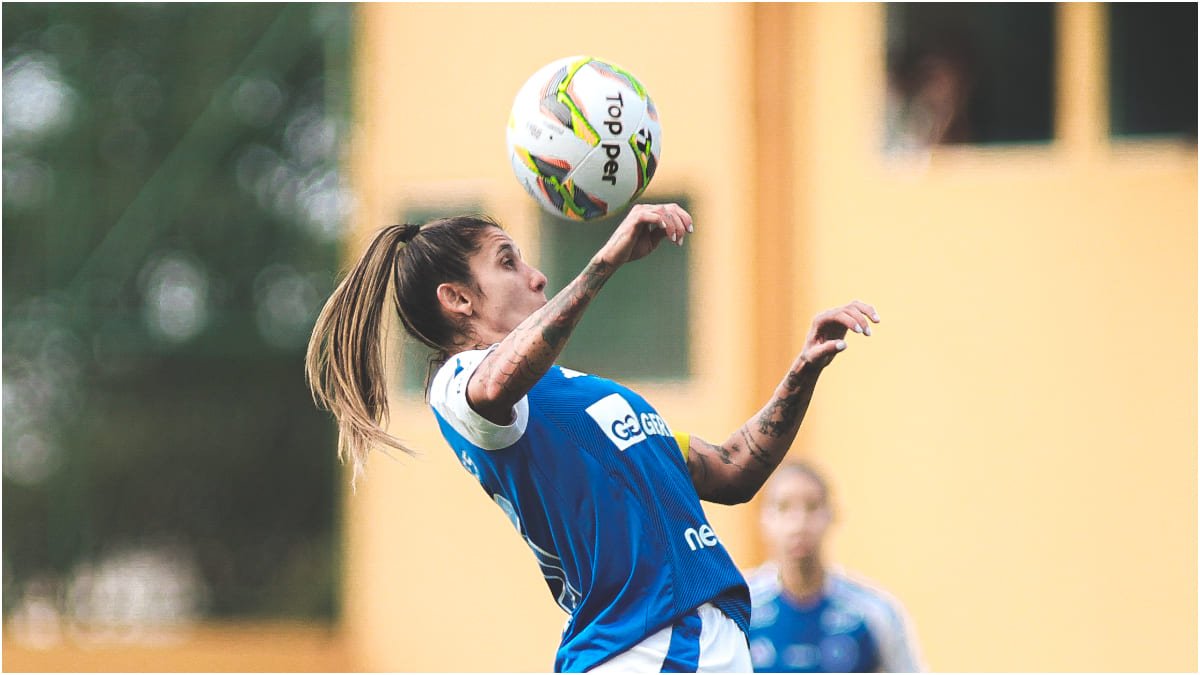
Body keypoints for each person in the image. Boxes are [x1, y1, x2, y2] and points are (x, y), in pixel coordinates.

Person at [305, 203, 879, 672]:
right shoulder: (459, 384)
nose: (536, 276)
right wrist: (606, 258)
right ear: (458, 299)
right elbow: (504, 374)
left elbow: (732, 470)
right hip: (654, 646)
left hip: (680, 643)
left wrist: (803, 370)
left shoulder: (590, 397)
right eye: (508, 262)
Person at [746, 462, 925, 673]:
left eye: (812, 507)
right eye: (784, 508)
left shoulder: (874, 612)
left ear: (831, 515)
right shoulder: (738, 609)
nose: (799, 524)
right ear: (764, 519)